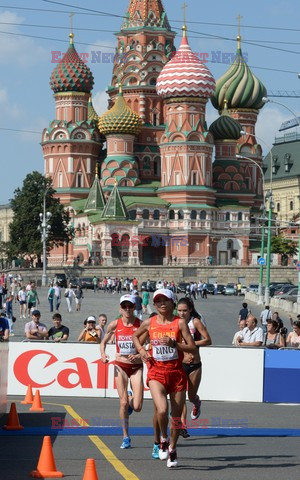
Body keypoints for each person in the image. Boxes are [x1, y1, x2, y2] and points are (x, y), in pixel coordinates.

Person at [133, 288, 196, 468]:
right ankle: (163, 438)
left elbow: (192, 347)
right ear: (154, 304)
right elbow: (135, 336)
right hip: (156, 372)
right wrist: (142, 350)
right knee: (161, 410)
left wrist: (175, 344)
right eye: (158, 301)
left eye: (165, 300)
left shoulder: (180, 323)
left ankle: (173, 448)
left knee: (176, 418)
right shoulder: (149, 322)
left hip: (176, 373)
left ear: (172, 303)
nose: (162, 303)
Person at [101, 294, 143, 450]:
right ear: (120, 308)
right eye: (124, 306)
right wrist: (103, 354)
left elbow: (151, 345)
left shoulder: (141, 324)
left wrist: (139, 354)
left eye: (130, 306)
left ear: (134, 307)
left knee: (137, 407)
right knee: (123, 402)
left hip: (136, 367)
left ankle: (132, 397)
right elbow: (103, 342)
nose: (127, 309)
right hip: (120, 365)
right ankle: (126, 436)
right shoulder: (114, 324)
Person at [177, 297, 212, 438]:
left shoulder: (195, 322)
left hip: (194, 365)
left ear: (190, 310)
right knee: (180, 396)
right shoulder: (175, 322)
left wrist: (192, 343)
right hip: (180, 363)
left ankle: (197, 403)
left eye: (185, 310)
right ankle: (182, 426)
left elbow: (208, 340)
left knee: (191, 396)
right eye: (179, 310)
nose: (182, 313)